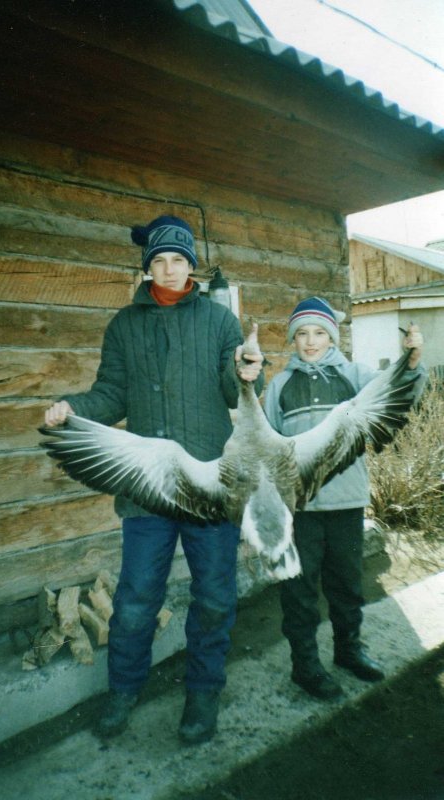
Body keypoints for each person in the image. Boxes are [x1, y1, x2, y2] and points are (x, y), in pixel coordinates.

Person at [45, 215, 264, 743]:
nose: (168, 270)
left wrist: (249, 370)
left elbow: (235, 391)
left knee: (213, 595)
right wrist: (72, 407)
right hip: (147, 489)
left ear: (191, 266)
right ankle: (124, 688)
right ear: (147, 269)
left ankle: (203, 692)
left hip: (209, 483)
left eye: (179, 261)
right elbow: (112, 395)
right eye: (159, 261)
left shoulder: (218, 321)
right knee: (138, 596)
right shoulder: (124, 325)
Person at [263, 296, 424, 699]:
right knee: (299, 591)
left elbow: (400, 394)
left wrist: (413, 359)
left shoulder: (356, 376)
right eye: (302, 333)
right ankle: (305, 666)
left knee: (347, 585)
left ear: (332, 336)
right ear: (293, 340)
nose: (311, 341)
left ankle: (349, 651)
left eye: (319, 332)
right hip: (300, 511)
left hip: (347, 504)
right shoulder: (280, 385)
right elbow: (268, 449)